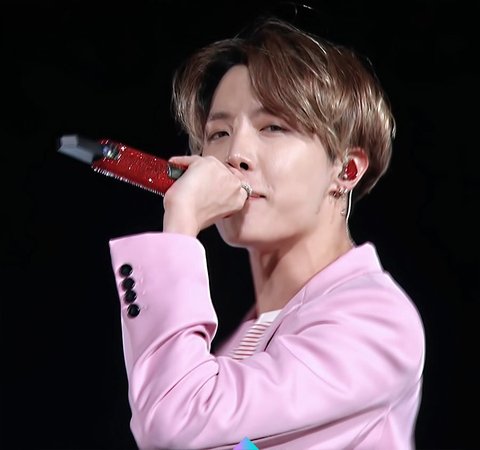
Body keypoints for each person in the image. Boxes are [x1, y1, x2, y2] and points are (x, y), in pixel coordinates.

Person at [108, 16, 425, 450]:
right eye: (219, 133)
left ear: (346, 170)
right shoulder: (247, 337)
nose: (235, 154)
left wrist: (179, 230)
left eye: (272, 127)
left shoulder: (374, 322)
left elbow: (173, 421)